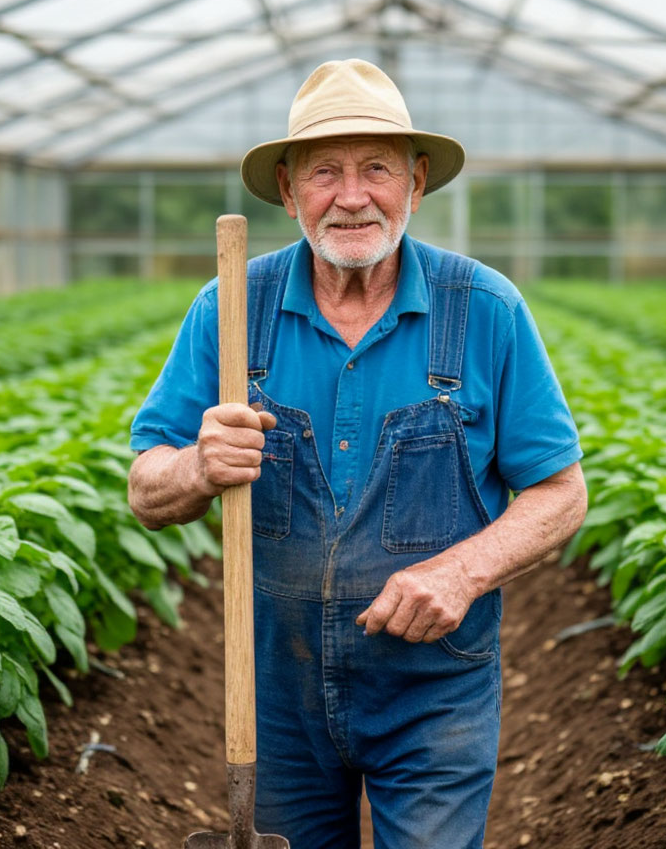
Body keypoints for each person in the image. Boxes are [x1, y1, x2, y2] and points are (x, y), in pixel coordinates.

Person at [128, 58, 587, 849]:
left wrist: (461, 572)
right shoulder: (231, 308)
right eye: (324, 172)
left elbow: (560, 492)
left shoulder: (484, 309)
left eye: (376, 168)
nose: (351, 196)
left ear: (414, 182)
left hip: (434, 694)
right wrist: (198, 466)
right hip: (273, 695)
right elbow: (146, 487)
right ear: (286, 188)